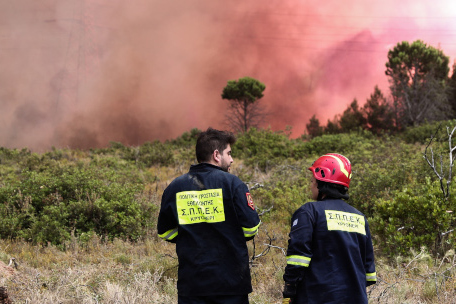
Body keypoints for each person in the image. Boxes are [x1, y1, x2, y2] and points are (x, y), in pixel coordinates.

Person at [157, 128, 261, 304]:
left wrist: (191, 237)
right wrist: (228, 236)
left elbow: (165, 232)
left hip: (192, 284)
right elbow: (251, 229)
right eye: (229, 153)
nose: (232, 159)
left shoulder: (175, 187)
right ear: (216, 155)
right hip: (230, 284)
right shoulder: (233, 184)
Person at [282, 153, 377, 304]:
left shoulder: (309, 212)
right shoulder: (359, 217)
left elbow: (298, 258)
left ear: (321, 182)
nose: (311, 185)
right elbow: (369, 273)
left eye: (312, 181)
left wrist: (289, 289)